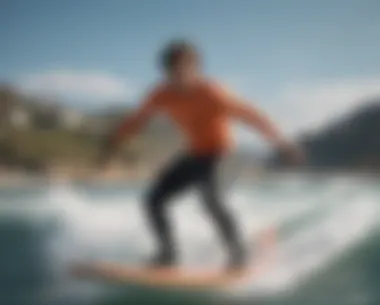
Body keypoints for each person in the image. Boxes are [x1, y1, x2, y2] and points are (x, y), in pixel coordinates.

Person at [97, 40, 305, 271]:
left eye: (184, 68)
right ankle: (168, 255)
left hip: (223, 155)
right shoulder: (161, 94)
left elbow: (253, 117)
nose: (179, 75)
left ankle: (238, 254)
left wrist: (283, 144)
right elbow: (138, 120)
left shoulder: (213, 93)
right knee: (154, 200)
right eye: (172, 70)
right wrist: (113, 143)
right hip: (195, 154)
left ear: (196, 67)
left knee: (210, 200)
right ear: (165, 71)